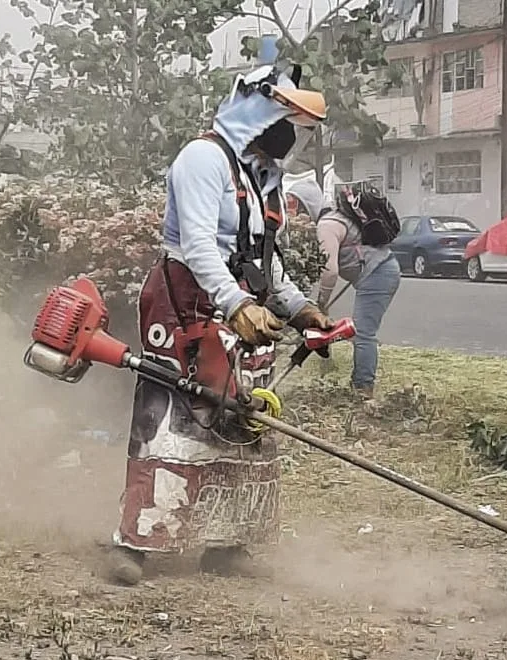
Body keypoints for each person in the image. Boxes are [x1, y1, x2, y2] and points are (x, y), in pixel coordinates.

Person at [109, 64, 335, 585]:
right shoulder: (202, 159)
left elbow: (262, 256)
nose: (291, 134)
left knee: (244, 418)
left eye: (299, 127)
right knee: (175, 419)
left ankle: (228, 542)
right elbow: (197, 244)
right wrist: (235, 304)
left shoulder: (260, 178)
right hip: (185, 302)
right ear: (253, 109)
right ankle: (137, 543)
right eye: (285, 118)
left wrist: (300, 308)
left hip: (240, 306)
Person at [315, 181, 402, 399]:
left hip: (378, 274)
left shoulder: (326, 225)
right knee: (361, 331)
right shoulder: (340, 219)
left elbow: (330, 270)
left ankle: (363, 390)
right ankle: (359, 383)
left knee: (363, 333)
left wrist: (321, 303)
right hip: (382, 269)